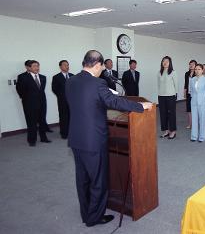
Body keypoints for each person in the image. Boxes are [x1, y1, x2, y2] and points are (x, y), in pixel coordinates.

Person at [66, 50, 152, 227]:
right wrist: (140, 106)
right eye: (101, 67)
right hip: (94, 141)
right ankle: (94, 218)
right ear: (97, 65)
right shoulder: (98, 83)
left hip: (76, 139)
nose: (101, 71)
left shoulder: (71, 81)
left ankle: (86, 214)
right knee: (98, 181)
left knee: (82, 180)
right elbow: (115, 102)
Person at [16, 60, 51, 146]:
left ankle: (43, 138)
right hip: (29, 104)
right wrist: (27, 99)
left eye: (38, 66)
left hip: (42, 103)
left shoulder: (43, 77)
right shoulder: (23, 77)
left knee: (42, 121)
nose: (37, 68)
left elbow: (41, 91)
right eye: (34, 66)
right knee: (31, 122)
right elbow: (19, 90)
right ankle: (32, 140)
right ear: (29, 67)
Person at [52, 60, 74, 139]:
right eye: (65, 65)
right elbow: (54, 89)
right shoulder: (56, 77)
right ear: (60, 67)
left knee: (72, 116)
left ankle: (72, 132)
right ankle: (64, 133)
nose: (67, 66)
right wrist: (63, 96)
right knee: (63, 117)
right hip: (62, 101)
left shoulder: (72, 76)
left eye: (68, 65)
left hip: (72, 101)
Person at [158, 56, 178, 139]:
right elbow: (158, 84)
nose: (165, 62)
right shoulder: (159, 72)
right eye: (163, 61)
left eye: (167, 61)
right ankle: (166, 131)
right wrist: (159, 93)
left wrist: (176, 94)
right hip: (161, 96)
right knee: (163, 114)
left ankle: (173, 131)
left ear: (170, 63)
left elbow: (176, 84)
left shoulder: (173, 72)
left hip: (170, 96)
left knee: (171, 114)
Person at [189, 64, 205, 142]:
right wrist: (193, 98)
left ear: (202, 70)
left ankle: (202, 137)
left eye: (199, 69)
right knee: (194, 119)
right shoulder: (192, 79)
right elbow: (191, 91)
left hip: (203, 102)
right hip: (194, 101)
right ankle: (194, 136)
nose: (197, 71)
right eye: (196, 69)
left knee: (202, 119)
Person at [184, 60, 196, 129]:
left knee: (195, 109)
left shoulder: (197, 73)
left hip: (195, 94)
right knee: (189, 110)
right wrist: (185, 92)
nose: (191, 65)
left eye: (193, 64)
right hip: (189, 93)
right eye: (190, 64)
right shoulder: (187, 73)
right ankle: (190, 124)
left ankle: (195, 124)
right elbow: (186, 84)